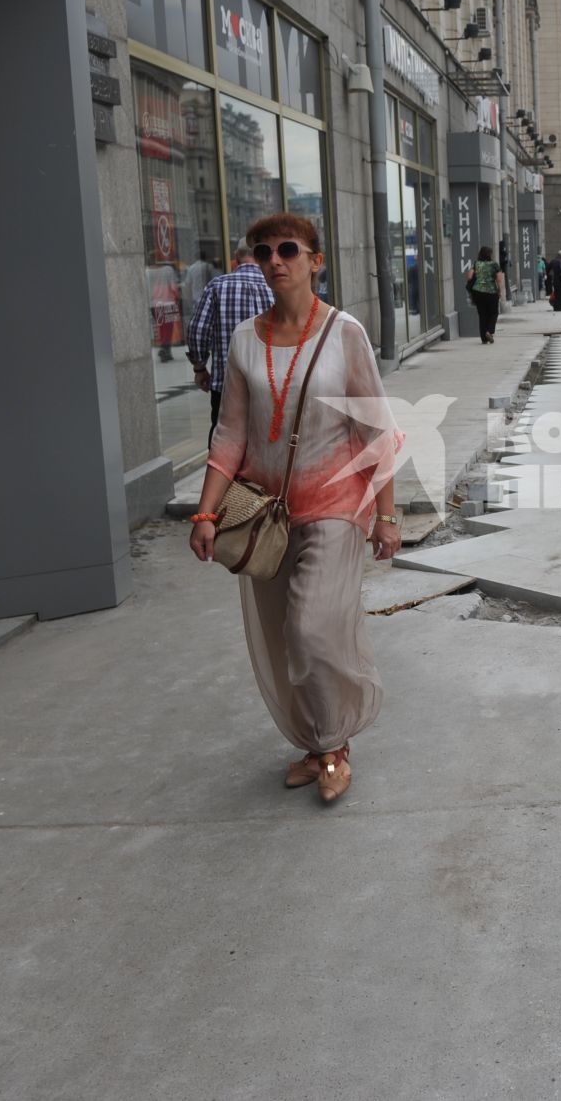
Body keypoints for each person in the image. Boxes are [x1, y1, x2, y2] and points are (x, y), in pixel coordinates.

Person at [189, 212, 404, 806]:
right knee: (285, 638)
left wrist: (387, 514)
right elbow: (229, 435)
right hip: (266, 517)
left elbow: (376, 431)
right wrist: (206, 514)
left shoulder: (345, 333)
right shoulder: (241, 341)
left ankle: (335, 745)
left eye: (288, 249)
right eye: (263, 252)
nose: (275, 260)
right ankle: (314, 743)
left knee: (312, 627)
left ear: (316, 260)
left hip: (337, 504)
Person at [187, 247, 275, 442]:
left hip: (225, 383)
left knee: (223, 440)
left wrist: (199, 367)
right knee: (268, 439)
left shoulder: (217, 286)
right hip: (270, 384)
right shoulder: (275, 287)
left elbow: (197, 330)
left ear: (236, 259)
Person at [465, 246, 501, 344]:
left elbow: (469, 277)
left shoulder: (476, 264)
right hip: (491, 292)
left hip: (478, 292)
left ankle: (484, 339)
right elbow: (499, 279)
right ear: (490, 255)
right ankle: (489, 331)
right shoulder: (494, 265)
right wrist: (499, 291)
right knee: (493, 313)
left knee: (482, 315)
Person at [182, 247, 220, 338]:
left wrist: (189, 298)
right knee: (209, 320)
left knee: (198, 320)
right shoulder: (209, 266)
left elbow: (187, 284)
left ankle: (199, 336)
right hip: (208, 297)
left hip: (196, 297)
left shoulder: (191, 268)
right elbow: (216, 279)